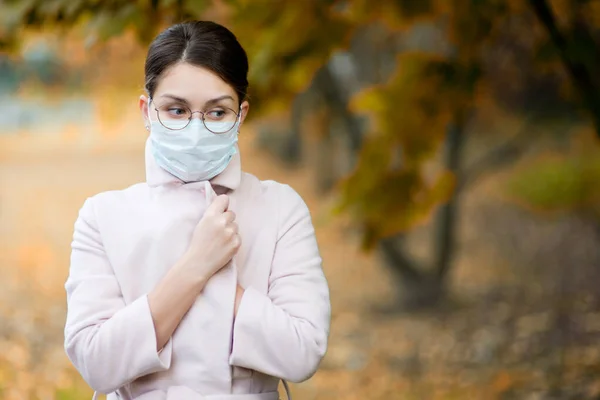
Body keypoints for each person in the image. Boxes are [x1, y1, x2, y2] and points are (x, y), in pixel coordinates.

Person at [63, 20, 331, 400]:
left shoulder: (280, 208)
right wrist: (197, 264)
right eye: (176, 110)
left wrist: (223, 284)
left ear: (240, 115)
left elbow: (303, 352)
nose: (195, 128)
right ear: (146, 111)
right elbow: (96, 363)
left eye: (217, 112)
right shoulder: (104, 216)